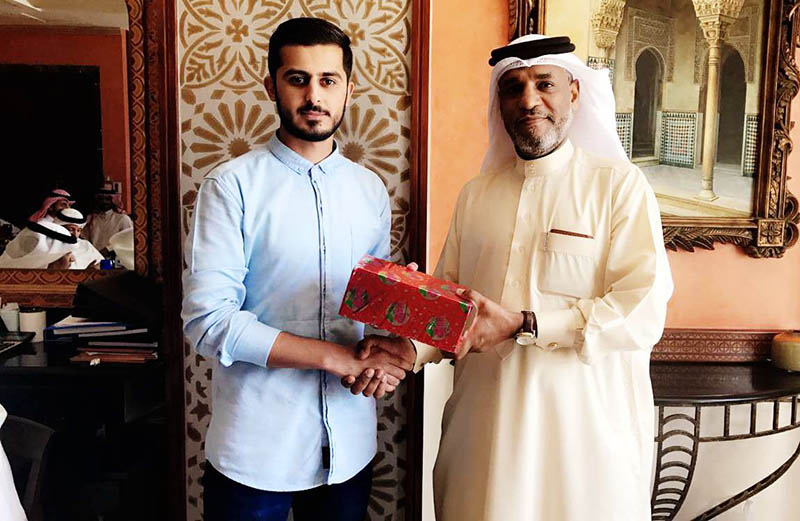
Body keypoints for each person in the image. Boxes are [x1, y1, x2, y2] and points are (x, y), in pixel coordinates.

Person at [349, 34, 674, 520]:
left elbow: (642, 309)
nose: (528, 100)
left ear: (574, 93)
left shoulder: (618, 187)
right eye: (513, 87)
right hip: (484, 435)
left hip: (583, 443)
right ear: (498, 102)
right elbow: (453, 309)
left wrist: (527, 324)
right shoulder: (477, 195)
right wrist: (408, 349)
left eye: (544, 83)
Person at [181, 17, 414, 521]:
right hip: (256, 450)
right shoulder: (231, 186)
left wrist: (393, 330)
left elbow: (369, 311)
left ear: (349, 89)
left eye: (328, 80)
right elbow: (208, 321)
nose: (314, 96)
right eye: (297, 79)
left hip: (349, 446)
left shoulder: (370, 190)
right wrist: (333, 357)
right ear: (272, 86)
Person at [0, 208, 103, 269]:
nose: (75, 234)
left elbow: (105, 265)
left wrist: (89, 274)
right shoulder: (41, 245)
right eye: (71, 229)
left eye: (79, 230)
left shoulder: (85, 246)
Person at [81, 187, 133, 253]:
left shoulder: (123, 219)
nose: (104, 202)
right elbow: (84, 240)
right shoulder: (91, 219)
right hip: (94, 256)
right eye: (101, 199)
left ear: (113, 201)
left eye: (107, 199)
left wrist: (108, 249)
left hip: (116, 256)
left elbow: (128, 241)